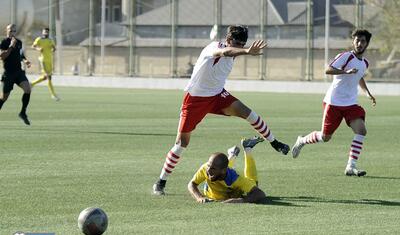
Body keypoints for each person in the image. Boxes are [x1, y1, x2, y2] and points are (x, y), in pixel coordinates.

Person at [153, 25, 290, 195]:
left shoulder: (236, 51)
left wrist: (244, 50)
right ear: (228, 39)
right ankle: (161, 182)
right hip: (196, 100)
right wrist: (246, 51)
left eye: (243, 43)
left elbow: (232, 54)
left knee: (249, 113)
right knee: (181, 144)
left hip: (218, 96)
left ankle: (274, 142)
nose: (240, 46)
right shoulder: (215, 47)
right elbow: (225, 53)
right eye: (237, 43)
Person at [291, 29, 376, 177]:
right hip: (334, 103)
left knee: (361, 131)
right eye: (357, 40)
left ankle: (351, 166)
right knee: (325, 137)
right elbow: (328, 70)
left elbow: (360, 77)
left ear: (367, 43)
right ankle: (302, 140)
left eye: (363, 41)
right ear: (353, 42)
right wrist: (345, 72)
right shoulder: (345, 57)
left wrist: (367, 93)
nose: (360, 43)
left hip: (350, 104)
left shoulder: (365, 63)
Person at [188, 136, 266, 203]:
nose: (208, 170)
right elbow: (192, 184)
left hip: (226, 173)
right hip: (211, 192)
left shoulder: (236, 179)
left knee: (254, 184)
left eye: (212, 168)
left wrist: (241, 200)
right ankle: (232, 154)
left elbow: (260, 194)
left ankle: (247, 150)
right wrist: (199, 197)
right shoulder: (206, 168)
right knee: (219, 167)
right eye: (208, 166)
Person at [0, 24, 32, 125]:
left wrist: (25, 60)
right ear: (7, 31)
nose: (12, 33)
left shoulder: (19, 42)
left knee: (28, 89)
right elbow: (2, 56)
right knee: (4, 97)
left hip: (18, 72)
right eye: (10, 31)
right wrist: (11, 46)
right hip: (8, 74)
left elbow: (21, 54)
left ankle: (23, 113)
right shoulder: (4, 42)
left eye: (14, 31)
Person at [31, 27, 59, 101]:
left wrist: (53, 49)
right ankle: (53, 94)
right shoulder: (39, 39)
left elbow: (54, 48)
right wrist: (38, 49)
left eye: (47, 32)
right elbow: (33, 46)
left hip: (49, 60)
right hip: (43, 60)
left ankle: (32, 84)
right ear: (42, 32)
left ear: (48, 32)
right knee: (49, 77)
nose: (46, 33)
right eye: (44, 31)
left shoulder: (50, 40)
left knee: (45, 77)